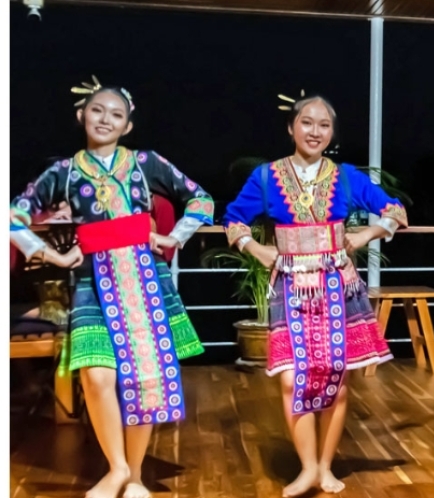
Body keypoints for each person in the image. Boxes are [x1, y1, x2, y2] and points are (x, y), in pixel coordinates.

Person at [9, 76, 213, 498]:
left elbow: (201, 200)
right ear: (81, 115)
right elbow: (13, 215)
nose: (105, 119)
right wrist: (51, 255)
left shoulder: (146, 163)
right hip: (91, 282)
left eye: (116, 114)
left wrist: (174, 237)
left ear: (128, 126)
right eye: (98, 110)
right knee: (97, 376)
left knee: (144, 377)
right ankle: (117, 469)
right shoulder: (62, 173)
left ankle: (135, 475)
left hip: (143, 279)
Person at [222, 90, 408, 497]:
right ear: (291, 127)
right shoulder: (267, 178)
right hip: (289, 285)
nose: (315, 131)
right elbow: (234, 220)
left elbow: (396, 211)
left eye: (324, 125)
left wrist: (367, 234)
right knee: (292, 380)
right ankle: (307, 467)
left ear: (332, 134)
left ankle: (324, 467)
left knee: (337, 381)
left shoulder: (345, 177)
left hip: (337, 286)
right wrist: (258, 249)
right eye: (307, 122)